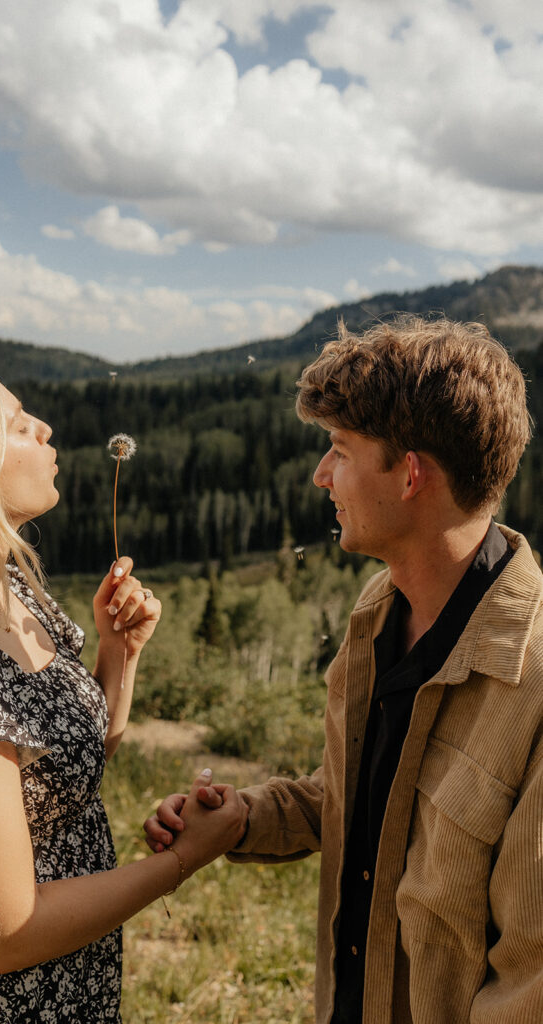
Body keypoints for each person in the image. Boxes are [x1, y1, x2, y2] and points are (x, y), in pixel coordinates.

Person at [145, 316, 543, 1023]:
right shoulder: (377, 616)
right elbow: (365, 796)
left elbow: (530, 985)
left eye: (338, 450)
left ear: (411, 472)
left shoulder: (531, 687)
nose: (319, 474)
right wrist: (245, 818)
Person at [0, 359, 246, 1024]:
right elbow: (11, 934)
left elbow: (61, 780)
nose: (43, 428)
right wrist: (185, 859)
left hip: (71, 979)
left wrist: (117, 656)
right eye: (16, 425)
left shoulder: (10, 593)